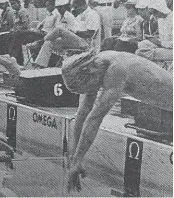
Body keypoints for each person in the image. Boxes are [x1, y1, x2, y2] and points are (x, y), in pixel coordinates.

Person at [61, 50, 172, 193]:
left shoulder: (116, 70)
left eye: (89, 89)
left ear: (88, 74)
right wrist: (74, 158)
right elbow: (82, 113)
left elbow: (94, 118)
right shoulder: (98, 64)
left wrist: (77, 160)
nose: (92, 92)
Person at [32, 0, 100, 68]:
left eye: (76, 7)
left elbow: (90, 34)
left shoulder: (92, 15)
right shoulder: (80, 15)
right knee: (48, 42)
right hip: (76, 41)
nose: (74, 10)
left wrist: (74, 32)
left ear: (83, 5)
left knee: (59, 29)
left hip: (85, 43)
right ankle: (40, 65)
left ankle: (39, 42)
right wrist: (70, 31)